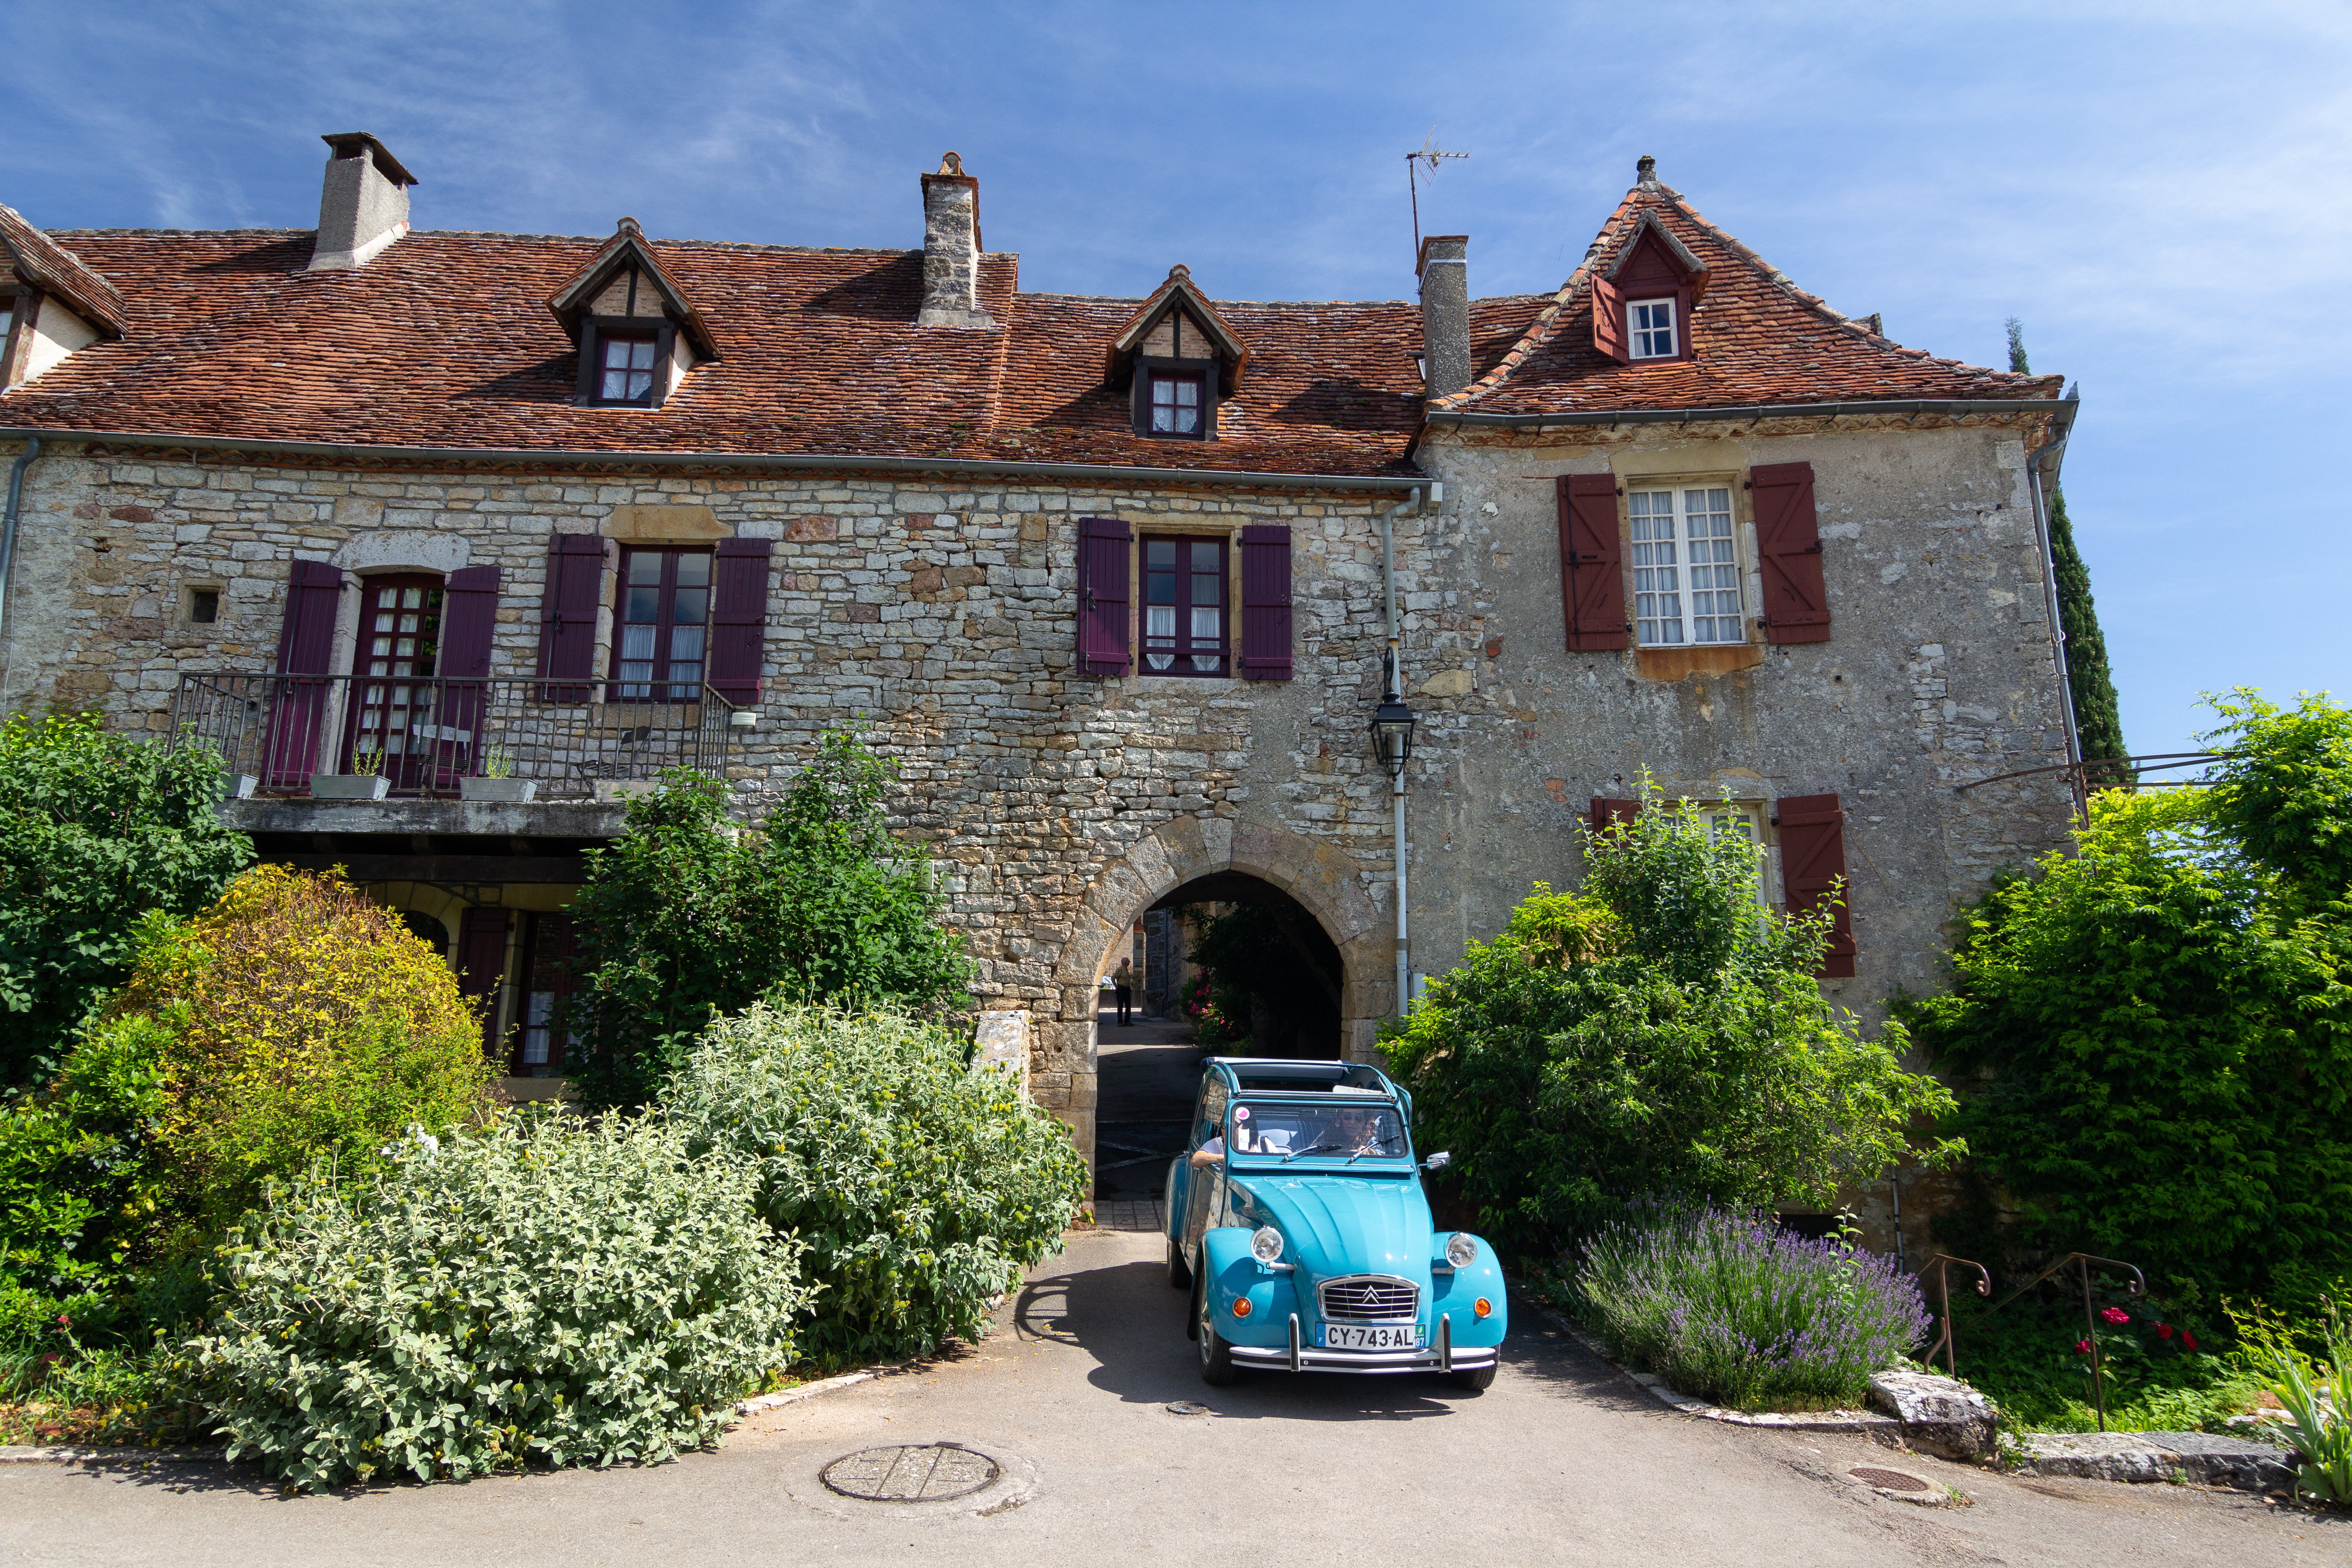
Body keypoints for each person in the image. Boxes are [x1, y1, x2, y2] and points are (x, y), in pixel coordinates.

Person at [1112, 958, 1136, 1026]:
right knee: (1120, 1006)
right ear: (1125, 962)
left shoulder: (1126, 969)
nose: (1129, 962)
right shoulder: (1120, 969)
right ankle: (1120, 1022)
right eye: (1128, 961)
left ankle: (1127, 1021)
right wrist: (1116, 986)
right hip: (1121, 989)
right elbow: (1113, 978)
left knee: (1128, 1006)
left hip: (1127, 990)